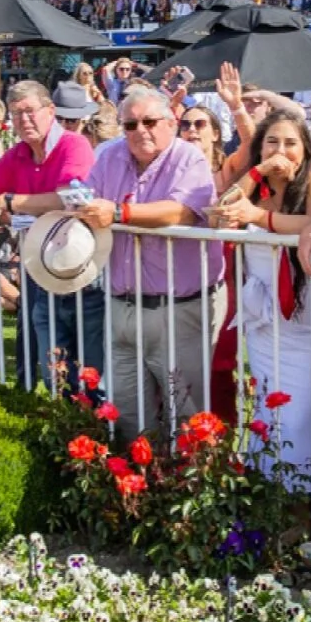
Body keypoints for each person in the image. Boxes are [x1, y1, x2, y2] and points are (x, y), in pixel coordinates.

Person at [213, 110, 311, 528]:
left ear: (305, 149)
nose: (280, 151)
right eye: (272, 141)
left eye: (290, 143)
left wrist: (260, 218)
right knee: (271, 416)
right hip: (266, 323)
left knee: (304, 417)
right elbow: (221, 212)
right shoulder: (254, 186)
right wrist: (256, 174)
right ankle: (277, 514)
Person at [67, 87, 220, 440]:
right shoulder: (110, 156)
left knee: (188, 417)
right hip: (121, 305)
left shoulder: (189, 158)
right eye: (130, 124)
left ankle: (190, 476)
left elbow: (181, 211)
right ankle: (138, 475)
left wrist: (119, 213)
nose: (140, 131)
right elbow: (89, 198)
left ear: (170, 123)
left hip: (177, 309)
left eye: (149, 121)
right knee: (128, 417)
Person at [0, 81, 101, 388]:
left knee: (82, 359)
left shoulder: (74, 144)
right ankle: (38, 398)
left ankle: (82, 409)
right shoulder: (19, 153)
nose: (23, 119)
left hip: (75, 265)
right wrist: (1, 203)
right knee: (46, 353)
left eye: (29, 111)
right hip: (36, 264)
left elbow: (68, 198)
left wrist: (10, 202)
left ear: (50, 111)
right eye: (16, 113)